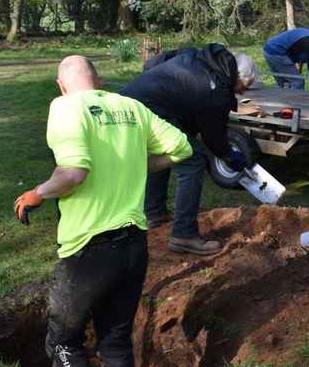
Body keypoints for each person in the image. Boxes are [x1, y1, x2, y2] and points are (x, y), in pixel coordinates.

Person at [13, 56, 192, 367]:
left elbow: (73, 173)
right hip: (134, 248)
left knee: (63, 343)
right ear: (98, 82)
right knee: (115, 343)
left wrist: (37, 194)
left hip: (89, 251)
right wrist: (139, 164)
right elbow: (181, 147)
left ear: (61, 86)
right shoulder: (131, 107)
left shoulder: (65, 107)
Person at [120, 44, 259, 255]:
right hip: (146, 110)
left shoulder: (201, 58)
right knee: (193, 160)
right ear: (237, 75)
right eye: (245, 85)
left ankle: (154, 212)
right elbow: (214, 138)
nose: (243, 91)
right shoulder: (217, 89)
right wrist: (229, 156)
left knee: (165, 151)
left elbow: (156, 62)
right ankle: (184, 235)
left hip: (129, 103)